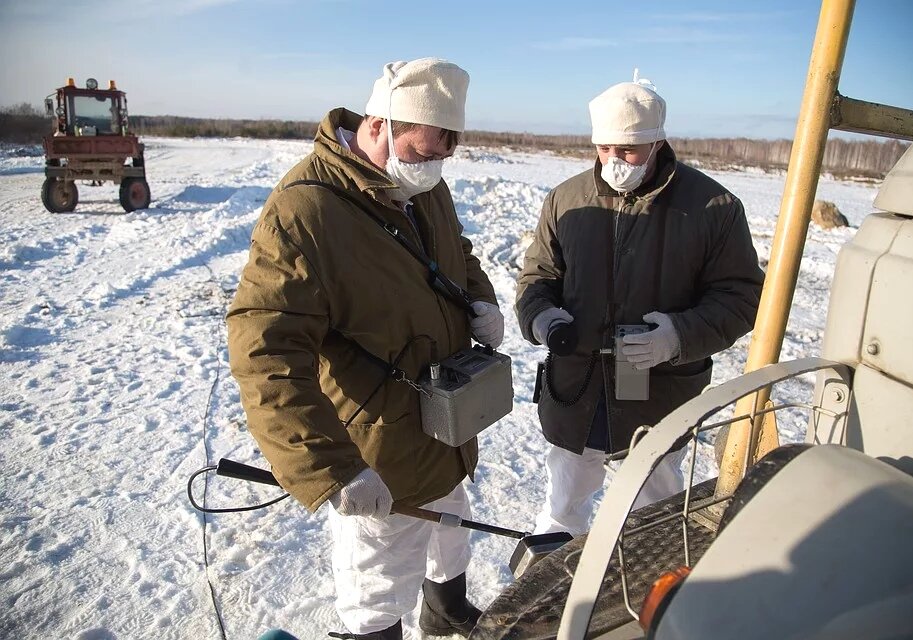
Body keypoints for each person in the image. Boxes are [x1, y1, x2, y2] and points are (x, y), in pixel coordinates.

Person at [227, 57, 504, 640]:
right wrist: (333, 470)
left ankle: (446, 609)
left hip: (447, 421)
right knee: (377, 581)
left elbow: (457, 252)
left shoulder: (419, 184)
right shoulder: (306, 211)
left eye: (444, 156)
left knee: (450, 521)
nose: (433, 168)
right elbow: (265, 355)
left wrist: (480, 300)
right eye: (425, 152)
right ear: (381, 124)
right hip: (379, 447)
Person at [515, 74, 764, 536]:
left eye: (627, 150)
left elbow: (742, 295)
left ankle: (639, 598)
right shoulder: (566, 199)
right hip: (577, 389)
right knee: (562, 505)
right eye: (604, 148)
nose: (613, 160)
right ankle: (559, 590)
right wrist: (541, 317)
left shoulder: (714, 206)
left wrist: (678, 336)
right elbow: (537, 278)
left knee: (653, 516)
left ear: (656, 142)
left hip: (657, 392)